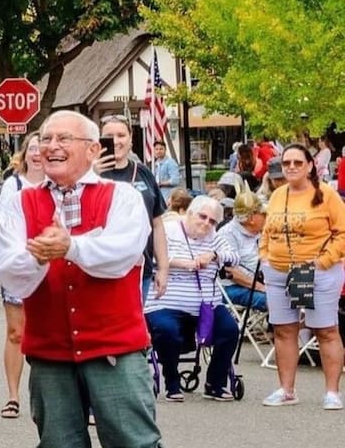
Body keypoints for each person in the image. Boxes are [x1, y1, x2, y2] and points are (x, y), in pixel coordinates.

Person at [0, 111, 167, 448]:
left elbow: (122, 254)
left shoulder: (121, 196)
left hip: (115, 348)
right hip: (51, 351)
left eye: (63, 138)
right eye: (45, 137)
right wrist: (41, 253)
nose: (50, 145)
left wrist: (68, 246)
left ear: (92, 150)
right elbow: (8, 269)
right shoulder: (21, 200)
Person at [258, 143, 345, 409]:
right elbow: (266, 230)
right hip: (279, 271)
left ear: (309, 165)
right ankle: (286, 389)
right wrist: (265, 256)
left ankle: (332, 392)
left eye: (297, 162)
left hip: (317, 271)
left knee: (326, 329)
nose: (292, 167)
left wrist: (324, 261)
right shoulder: (277, 195)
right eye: (287, 163)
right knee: (284, 330)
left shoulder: (326, 194)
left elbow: (342, 232)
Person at [144, 196, 240, 402]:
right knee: (166, 330)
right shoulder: (168, 230)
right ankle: (171, 381)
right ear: (189, 213)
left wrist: (213, 255)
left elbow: (234, 256)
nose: (206, 223)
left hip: (207, 303)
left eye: (212, 221)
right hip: (166, 301)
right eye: (202, 217)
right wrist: (182, 263)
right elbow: (149, 257)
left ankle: (215, 383)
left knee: (230, 330)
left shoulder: (215, 237)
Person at [0, 131, 45, 419]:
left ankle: (50, 395)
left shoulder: (57, 183)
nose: (37, 154)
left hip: (51, 264)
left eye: (42, 148)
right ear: (25, 155)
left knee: (49, 331)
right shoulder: (13, 185)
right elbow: (1, 223)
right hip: (19, 262)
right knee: (16, 332)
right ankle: (13, 395)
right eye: (33, 149)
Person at [98, 115, 169, 301]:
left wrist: (162, 268)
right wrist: (90, 174)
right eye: (109, 135)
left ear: (130, 140)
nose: (116, 141)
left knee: (134, 326)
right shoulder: (88, 174)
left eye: (121, 135)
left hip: (140, 269)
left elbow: (157, 223)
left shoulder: (143, 173)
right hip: (101, 269)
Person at [220, 191, 268, 311]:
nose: (267, 217)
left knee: (297, 295)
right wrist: (262, 287)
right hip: (233, 288)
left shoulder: (260, 231)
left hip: (262, 282)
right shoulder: (227, 234)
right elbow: (232, 273)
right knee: (276, 301)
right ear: (251, 218)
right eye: (264, 214)